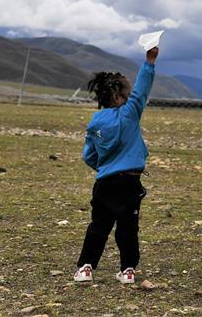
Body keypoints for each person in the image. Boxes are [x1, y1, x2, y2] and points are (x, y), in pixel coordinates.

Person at [74, 46, 159, 285]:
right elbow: (142, 90)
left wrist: (105, 168)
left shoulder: (95, 121)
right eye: (127, 91)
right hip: (129, 182)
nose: (132, 94)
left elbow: (89, 155)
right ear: (116, 96)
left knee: (98, 226)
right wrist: (149, 61)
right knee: (128, 228)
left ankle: (85, 268)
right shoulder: (129, 113)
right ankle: (128, 270)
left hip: (104, 183)